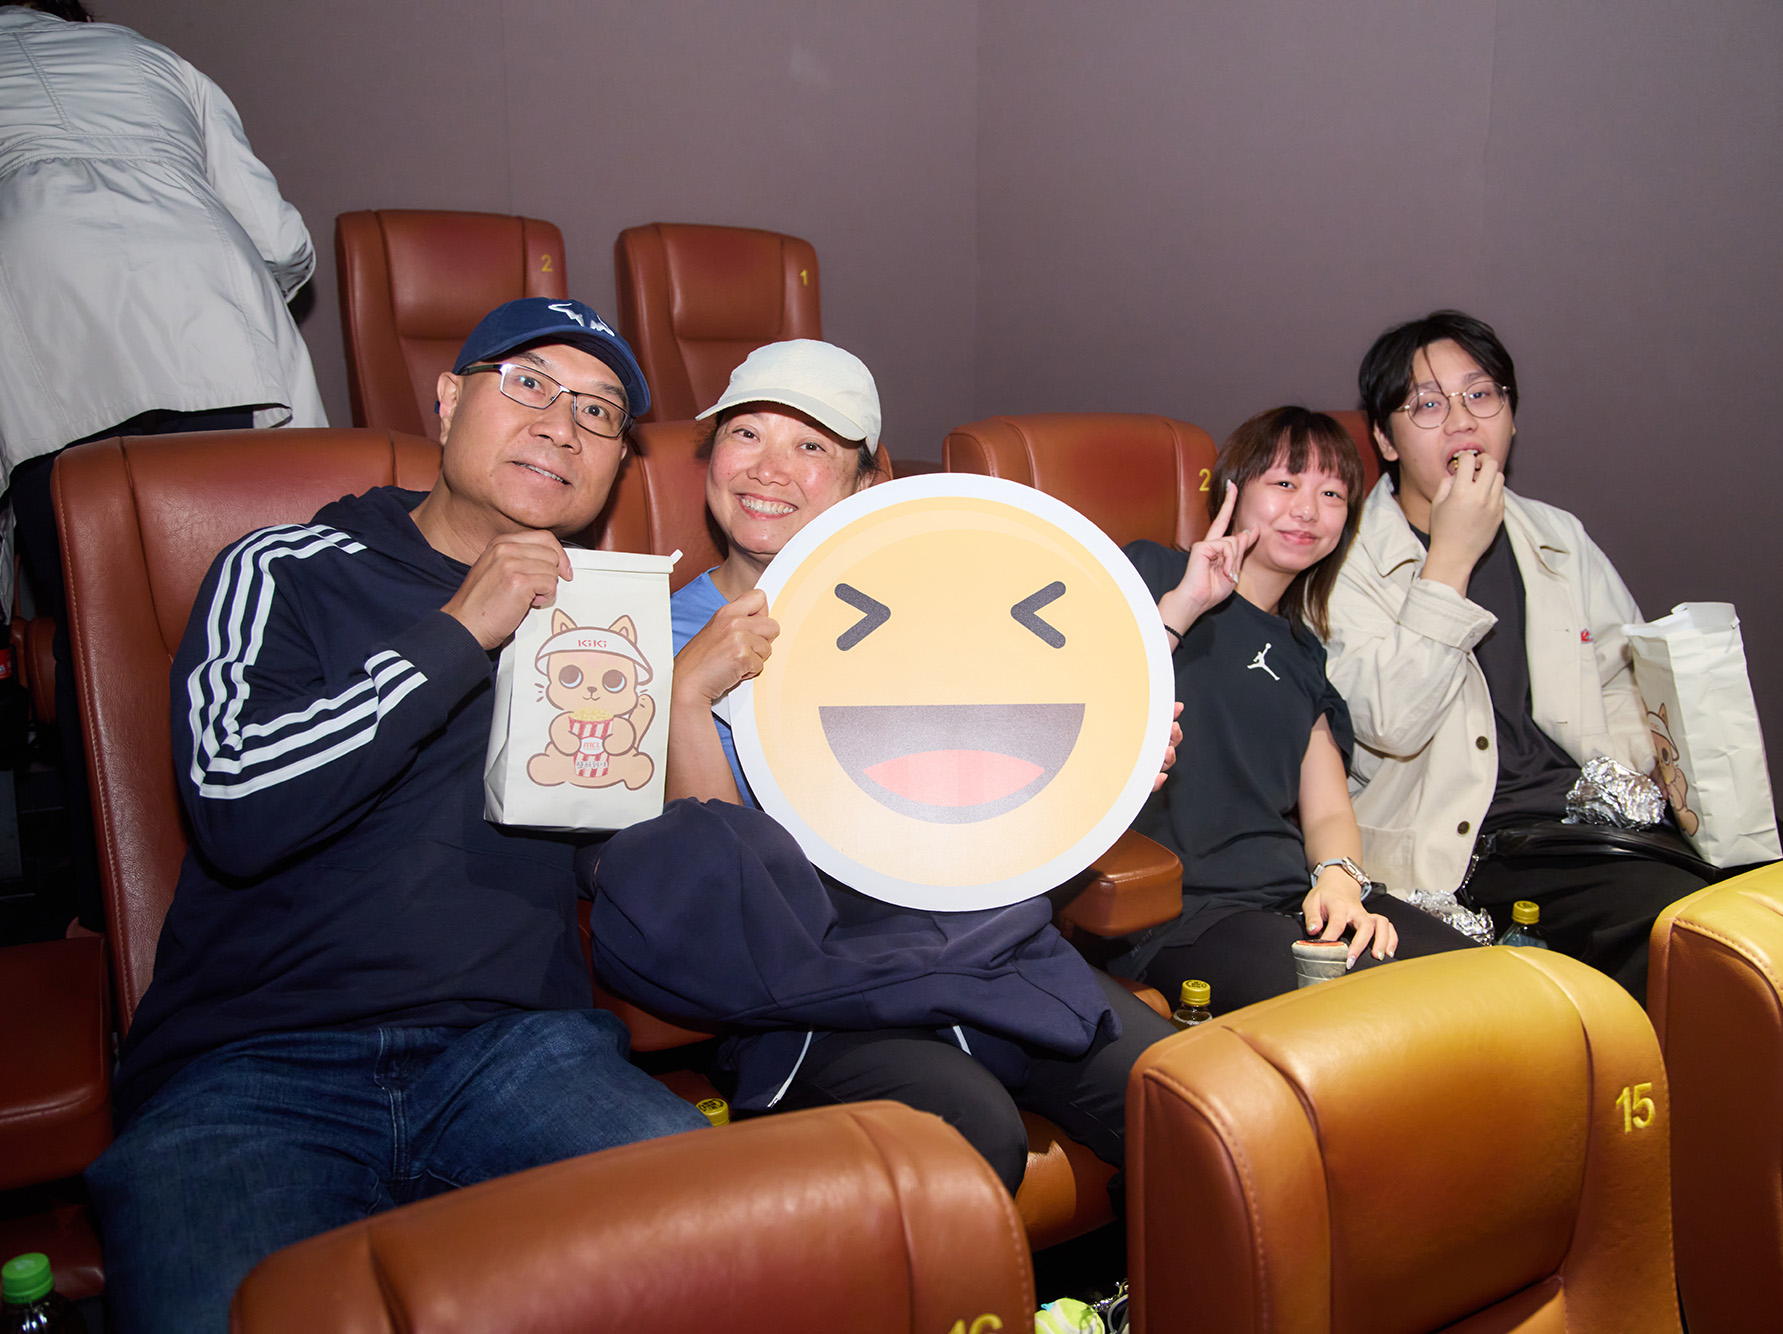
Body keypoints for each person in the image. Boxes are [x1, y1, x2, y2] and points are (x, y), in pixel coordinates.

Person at [83, 299, 707, 1334]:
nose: (562, 426)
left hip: (519, 1055)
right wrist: (460, 630)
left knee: (740, 1254)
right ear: (449, 398)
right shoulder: (284, 569)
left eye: (599, 413)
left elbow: (627, 859)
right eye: (529, 384)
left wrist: (681, 712)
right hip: (253, 1068)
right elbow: (234, 797)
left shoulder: (600, 618)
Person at [663, 339, 1177, 1192]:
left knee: (1189, 1102)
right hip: (804, 991)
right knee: (965, 1133)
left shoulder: (942, 612)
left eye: (811, 445)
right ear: (710, 456)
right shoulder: (643, 642)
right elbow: (720, 901)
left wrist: (1103, 777)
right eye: (745, 433)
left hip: (978, 956)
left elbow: (980, 820)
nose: (768, 468)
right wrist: (687, 697)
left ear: (867, 481)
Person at [0, 0, 329, 926]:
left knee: (96, 640)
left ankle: (117, 912)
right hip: (208, 316)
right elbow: (278, 238)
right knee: (254, 617)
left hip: (44, 326)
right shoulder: (146, 54)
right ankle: (287, 892)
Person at [1324, 310, 1706, 1004]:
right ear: (1383, 438)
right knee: (1684, 928)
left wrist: (1617, 784)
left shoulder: (1555, 535)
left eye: (1481, 395)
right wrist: (1450, 558)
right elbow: (1389, 723)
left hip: (1589, 828)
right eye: (1428, 405)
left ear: (1511, 415)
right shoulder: (1342, 559)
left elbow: (1630, 682)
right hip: (1470, 847)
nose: (1462, 420)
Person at [1111, 407, 1476, 1014]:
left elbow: (1328, 809)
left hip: (1291, 898)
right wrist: (1185, 606)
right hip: (1185, 912)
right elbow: (1086, 700)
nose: (1307, 509)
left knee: (1482, 987)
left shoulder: (1305, 654)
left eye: (1331, 494)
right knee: (1366, 1013)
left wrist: (1339, 879)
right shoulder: (1153, 574)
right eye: (1285, 482)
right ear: (1232, 491)